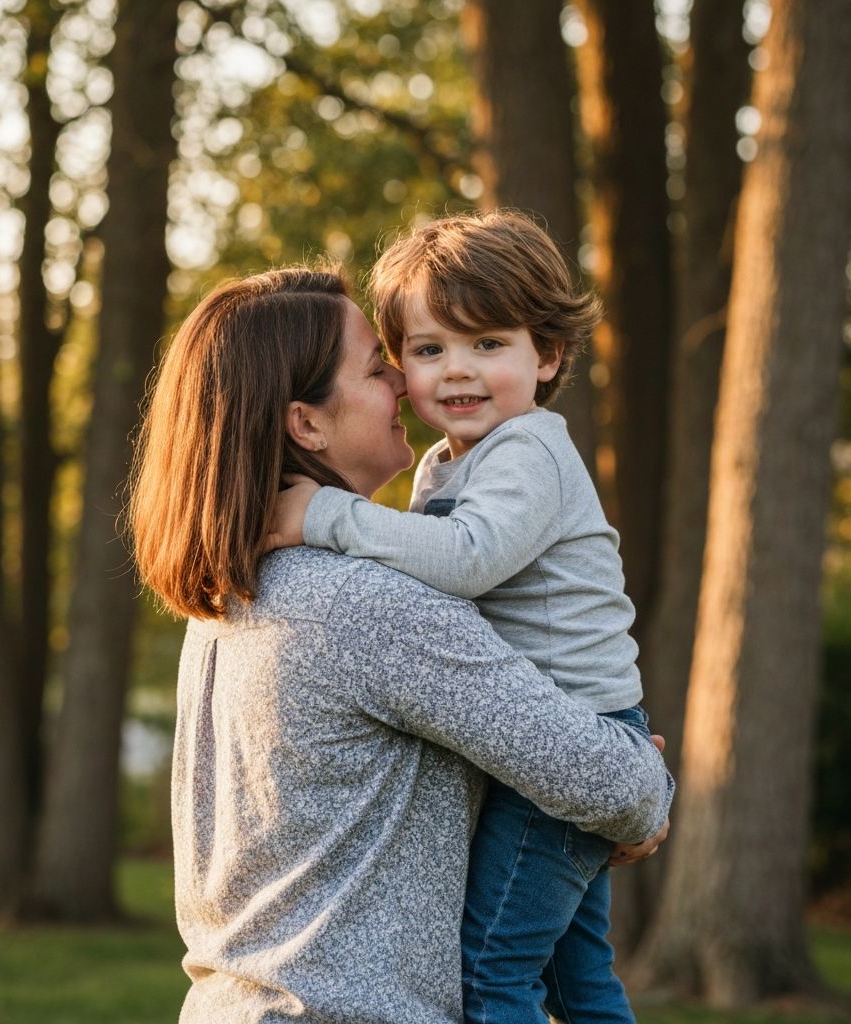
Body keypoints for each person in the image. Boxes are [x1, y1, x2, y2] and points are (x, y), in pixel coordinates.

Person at [130, 266, 673, 1024]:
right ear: (307, 424)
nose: (404, 382)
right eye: (380, 365)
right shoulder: (364, 606)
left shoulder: (239, 598)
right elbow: (616, 786)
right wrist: (639, 791)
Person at [268, 212, 660, 1024]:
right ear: (400, 362)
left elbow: (465, 562)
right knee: (575, 979)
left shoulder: (528, 450)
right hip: (545, 735)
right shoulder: (450, 466)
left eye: (489, 345)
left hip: (566, 742)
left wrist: (326, 517)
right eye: (428, 349)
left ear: (547, 355)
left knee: (490, 976)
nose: (458, 371)